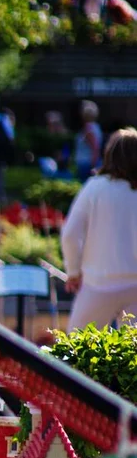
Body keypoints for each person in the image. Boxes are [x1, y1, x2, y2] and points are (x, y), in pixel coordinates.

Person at [61, 128, 137, 330]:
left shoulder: (95, 187)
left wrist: (73, 271)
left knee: (77, 345)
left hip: (98, 283)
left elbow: (70, 235)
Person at [73, 100, 105, 180]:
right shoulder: (96, 127)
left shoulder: (89, 128)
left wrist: (93, 166)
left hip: (86, 164)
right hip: (88, 163)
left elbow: (95, 148)